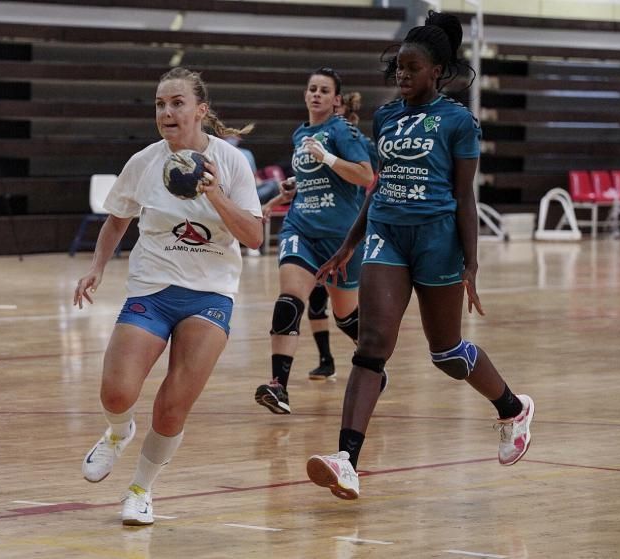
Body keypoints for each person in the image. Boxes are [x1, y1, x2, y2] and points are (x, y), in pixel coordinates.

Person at [306, 11, 535, 500]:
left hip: (438, 241)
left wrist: (471, 264)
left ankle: (513, 408)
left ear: (438, 71)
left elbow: (465, 197)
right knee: (372, 345)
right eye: (398, 68)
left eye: (412, 68)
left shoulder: (458, 121)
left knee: (446, 353)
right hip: (387, 235)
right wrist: (348, 243)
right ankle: (346, 460)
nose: (402, 76)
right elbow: (379, 185)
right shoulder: (386, 116)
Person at [73, 67, 262, 525]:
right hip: (152, 289)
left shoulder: (231, 163)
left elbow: (254, 236)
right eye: (160, 104)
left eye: (177, 103)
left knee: (173, 404)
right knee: (117, 393)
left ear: (201, 110)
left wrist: (215, 194)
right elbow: (118, 218)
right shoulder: (144, 162)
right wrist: (97, 266)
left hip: (210, 294)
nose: (167, 112)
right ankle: (119, 431)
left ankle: (140, 489)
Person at [253, 68, 375, 415]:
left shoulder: (342, 130)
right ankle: (278, 386)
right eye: (312, 89)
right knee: (290, 300)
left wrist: (328, 158)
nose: (316, 94)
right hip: (300, 227)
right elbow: (313, 176)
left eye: (324, 90)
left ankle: (374, 363)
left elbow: (365, 175)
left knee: (346, 317)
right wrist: (290, 189)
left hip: (340, 238)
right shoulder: (301, 133)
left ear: (336, 99)